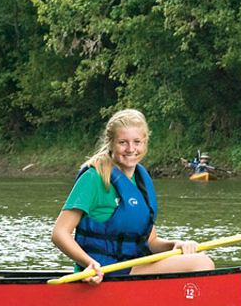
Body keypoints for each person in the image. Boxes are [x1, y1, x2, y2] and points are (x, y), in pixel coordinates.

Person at [52, 109, 214, 284]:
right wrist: (90, 264)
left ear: (145, 143)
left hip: (131, 267)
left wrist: (175, 245)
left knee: (196, 259)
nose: (131, 149)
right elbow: (59, 233)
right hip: (104, 272)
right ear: (110, 143)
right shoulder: (93, 178)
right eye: (123, 142)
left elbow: (151, 242)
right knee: (201, 263)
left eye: (137, 142)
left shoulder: (141, 180)